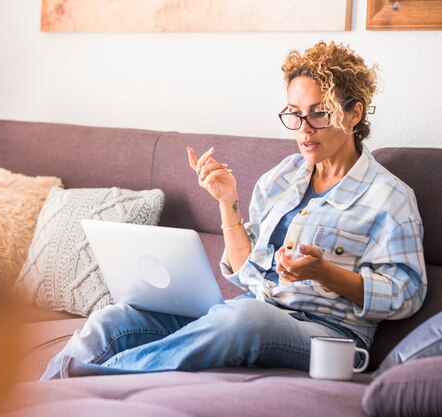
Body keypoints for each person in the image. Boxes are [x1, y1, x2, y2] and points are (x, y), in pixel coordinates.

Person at [40, 41, 427, 380]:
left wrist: (323, 272)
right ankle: (45, 393)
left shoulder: (389, 197)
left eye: (319, 114)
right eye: (294, 113)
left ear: (354, 113)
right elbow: (246, 273)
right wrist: (227, 202)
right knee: (116, 318)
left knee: (240, 319)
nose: (303, 129)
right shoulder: (281, 179)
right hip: (251, 310)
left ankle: (91, 377)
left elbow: (405, 294)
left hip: (327, 335)